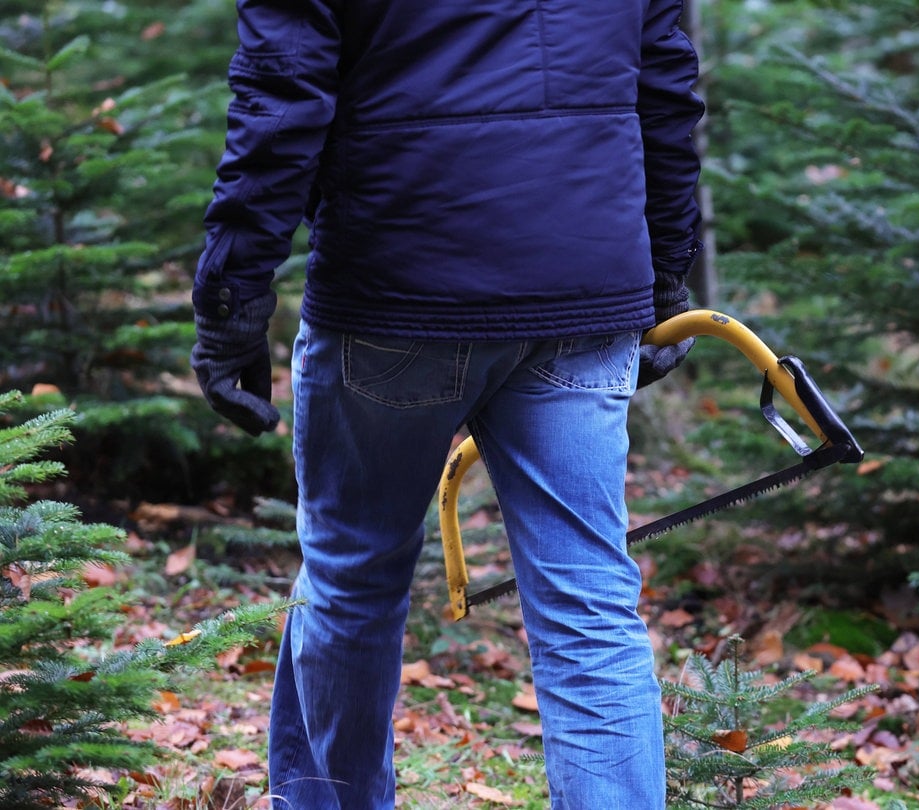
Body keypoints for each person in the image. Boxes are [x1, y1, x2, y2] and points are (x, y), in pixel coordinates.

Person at [188, 1, 704, 807]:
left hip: (398, 287)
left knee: (353, 579)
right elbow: (666, 83)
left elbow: (279, 98)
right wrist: (666, 268)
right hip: (583, 284)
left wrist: (231, 301)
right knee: (590, 609)